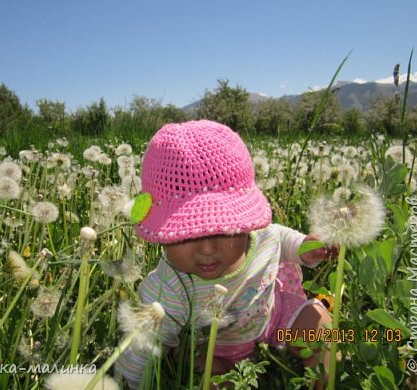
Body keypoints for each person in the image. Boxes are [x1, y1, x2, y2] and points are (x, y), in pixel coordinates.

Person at [116, 120, 338, 389]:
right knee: (206, 376)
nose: (207, 249)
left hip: (274, 318)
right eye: (186, 235)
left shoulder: (263, 235)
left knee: (321, 329)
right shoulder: (167, 289)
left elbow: (281, 238)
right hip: (211, 349)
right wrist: (131, 383)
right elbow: (139, 347)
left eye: (223, 229)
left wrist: (305, 247)